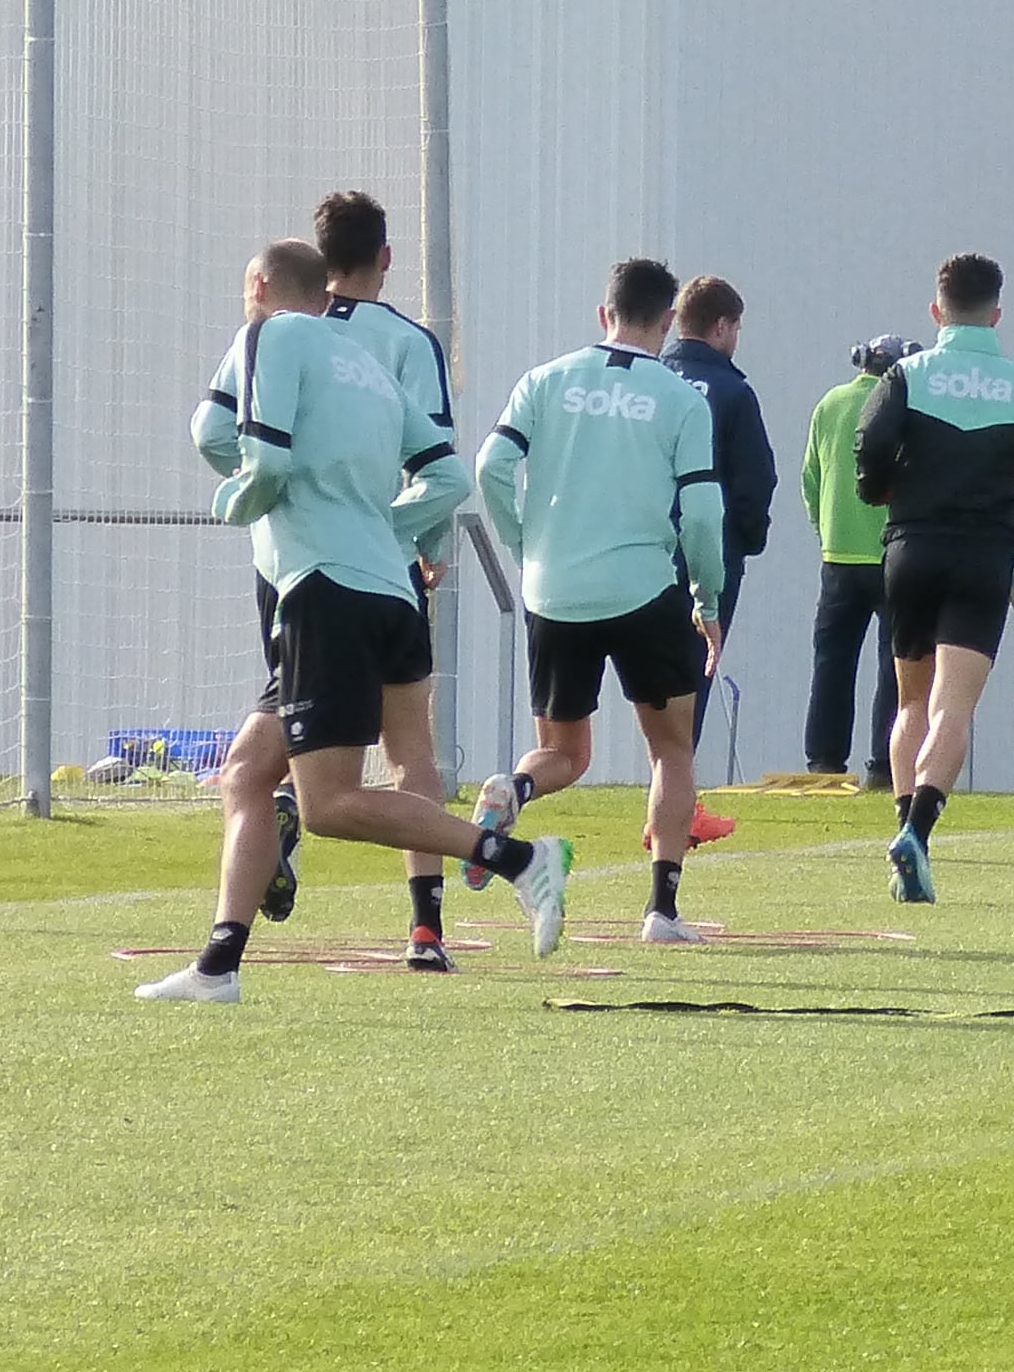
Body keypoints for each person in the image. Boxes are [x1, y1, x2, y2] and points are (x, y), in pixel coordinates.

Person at [143, 238, 568, 999]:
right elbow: (446, 476)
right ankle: (218, 966)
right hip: (391, 592)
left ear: (263, 286)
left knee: (329, 804)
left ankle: (519, 861)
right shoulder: (370, 363)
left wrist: (238, 497)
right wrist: (386, 525)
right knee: (249, 771)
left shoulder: (269, 335)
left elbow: (241, 449)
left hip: (322, 589)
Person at [473, 259, 730, 947]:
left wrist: (526, 542)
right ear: (668, 319)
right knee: (671, 751)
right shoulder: (679, 396)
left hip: (555, 588)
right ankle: (662, 911)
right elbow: (704, 513)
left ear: (602, 314)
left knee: (562, 751)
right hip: (643, 589)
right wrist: (707, 595)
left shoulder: (545, 379)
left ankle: (514, 790)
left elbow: (491, 466)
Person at [852, 255, 1014, 901]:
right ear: (996, 314)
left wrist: (880, 488)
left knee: (911, 700)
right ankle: (919, 834)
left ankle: (901, 827)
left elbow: (868, 442)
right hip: (981, 553)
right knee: (955, 705)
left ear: (936, 312)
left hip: (911, 548)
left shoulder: (906, 373)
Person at [311, 188, 471, 968]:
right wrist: (416, 538)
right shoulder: (407, 341)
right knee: (411, 748)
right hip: (379, 564)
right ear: (385, 257)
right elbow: (439, 466)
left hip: (296, 562)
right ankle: (426, 929)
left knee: (288, 724)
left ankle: (278, 810)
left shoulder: (283, 335)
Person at [797, 336, 910, 789]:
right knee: (893, 662)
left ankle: (824, 759)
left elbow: (810, 476)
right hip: (892, 551)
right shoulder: (903, 406)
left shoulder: (831, 403)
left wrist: (825, 529)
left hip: (838, 556)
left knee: (832, 662)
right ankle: (884, 764)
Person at [666, 276, 769, 771]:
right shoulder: (731, 391)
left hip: (639, 549)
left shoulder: (650, 378)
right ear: (722, 326)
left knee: (651, 680)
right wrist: (746, 542)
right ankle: (674, 788)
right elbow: (755, 479)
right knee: (694, 673)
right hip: (708, 552)